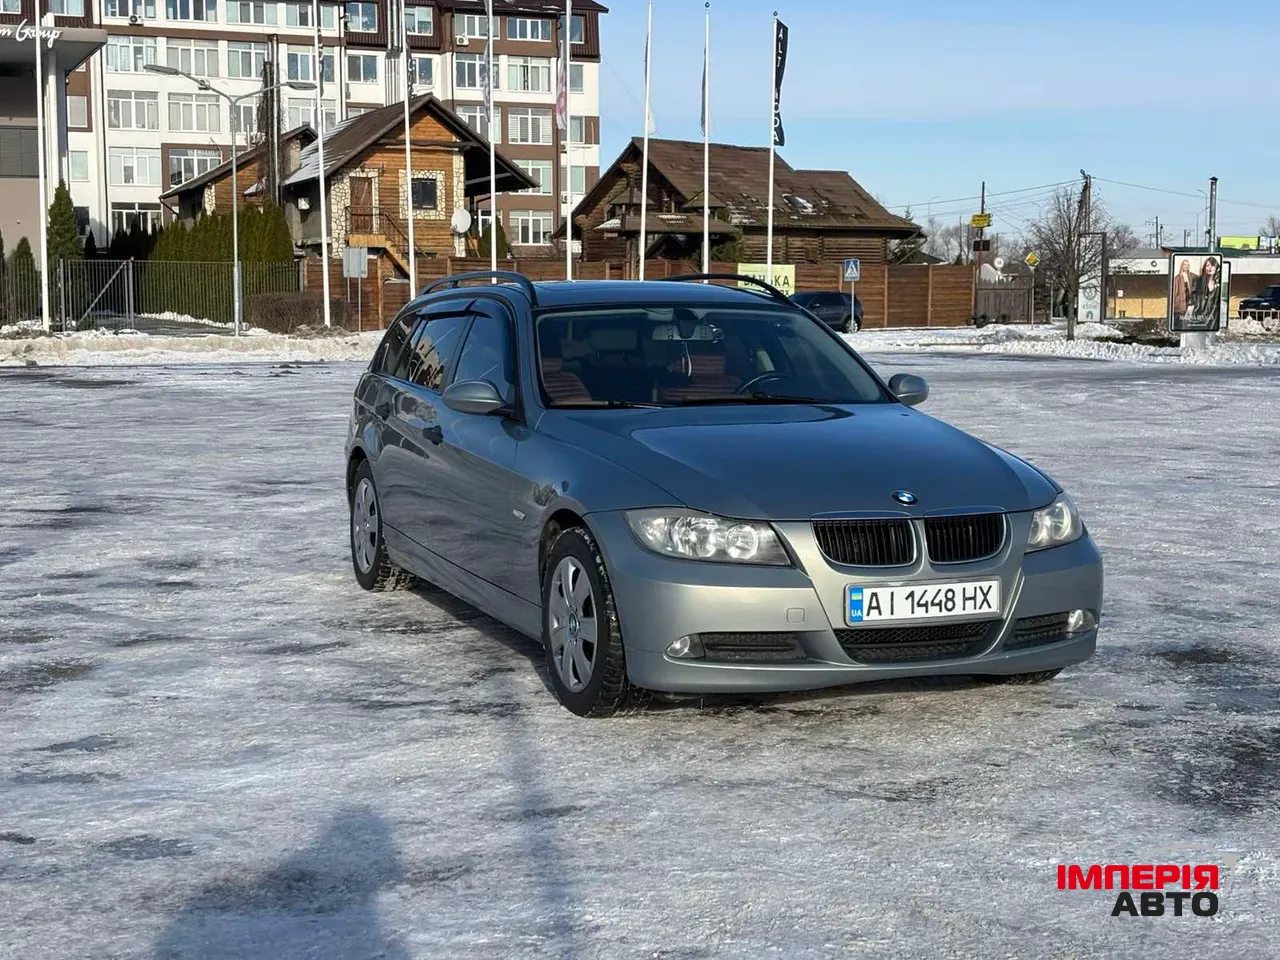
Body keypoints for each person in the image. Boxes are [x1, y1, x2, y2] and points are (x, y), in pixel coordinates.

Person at [1189, 257, 1221, 324]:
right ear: (1204, 268)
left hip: (1213, 319)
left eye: (1212, 265)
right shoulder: (1198, 281)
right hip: (1199, 318)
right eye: (1207, 265)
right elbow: (1193, 298)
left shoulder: (1219, 284)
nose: (1210, 268)